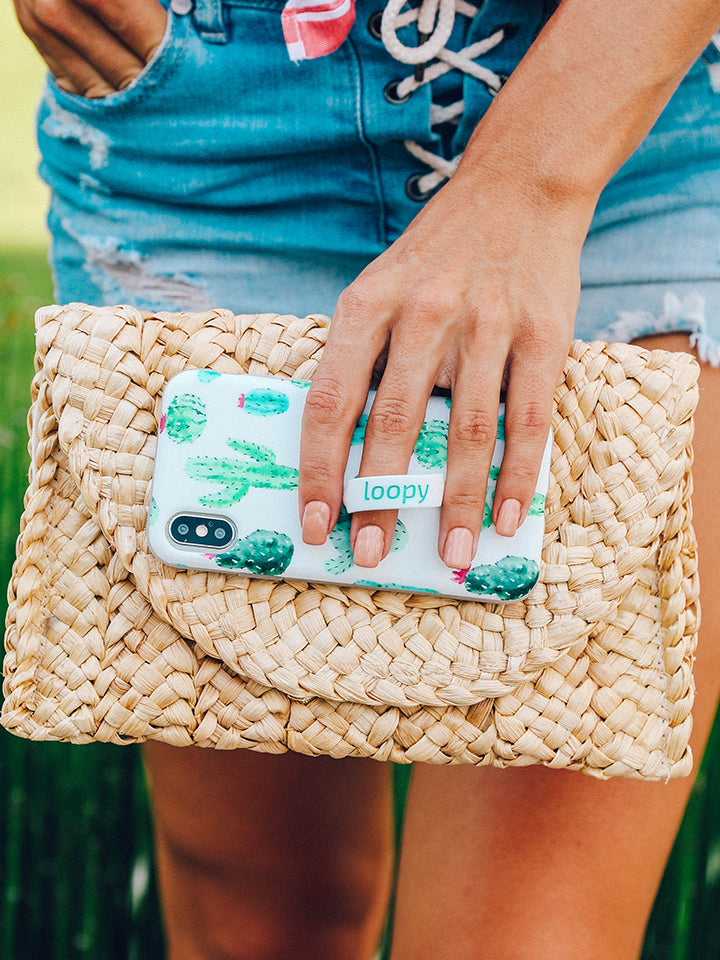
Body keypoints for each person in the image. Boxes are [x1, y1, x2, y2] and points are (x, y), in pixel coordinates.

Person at [13, 0, 720, 956]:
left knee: (518, 941)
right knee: (257, 922)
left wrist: (532, 186)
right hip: (206, 123)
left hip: (618, 112)